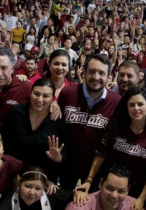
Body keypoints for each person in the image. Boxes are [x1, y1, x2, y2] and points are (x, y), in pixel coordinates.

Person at [74, 87, 146, 209]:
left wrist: (142, 198)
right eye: (131, 105)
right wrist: (89, 180)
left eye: (140, 104)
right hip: (110, 188)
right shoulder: (117, 127)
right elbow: (101, 154)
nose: (136, 108)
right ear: (126, 107)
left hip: (136, 191)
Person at [58, 54, 121, 190]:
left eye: (101, 73)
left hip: (98, 169)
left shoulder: (116, 101)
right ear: (84, 72)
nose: (96, 77)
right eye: (91, 72)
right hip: (67, 164)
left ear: (109, 76)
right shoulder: (67, 93)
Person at [1, 78, 66, 185]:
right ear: (30, 93)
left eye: (46, 96)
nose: (39, 100)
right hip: (14, 176)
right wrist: (11, 174)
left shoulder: (57, 119)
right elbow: (4, 144)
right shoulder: (15, 113)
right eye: (36, 94)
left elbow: (64, 149)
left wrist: (59, 158)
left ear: (53, 98)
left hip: (44, 179)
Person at [0, 166, 72, 210]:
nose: (32, 192)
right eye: (28, 186)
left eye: (38, 188)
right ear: (19, 184)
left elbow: (73, 195)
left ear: (44, 188)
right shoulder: (6, 204)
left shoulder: (53, 193)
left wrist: (80, 191)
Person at [65, 164, 137, 210]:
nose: (114, 195)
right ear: (101, 184)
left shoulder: (135, 207)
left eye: (121, 191)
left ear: (128, 189)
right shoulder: (77, 208)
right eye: (109, 188)